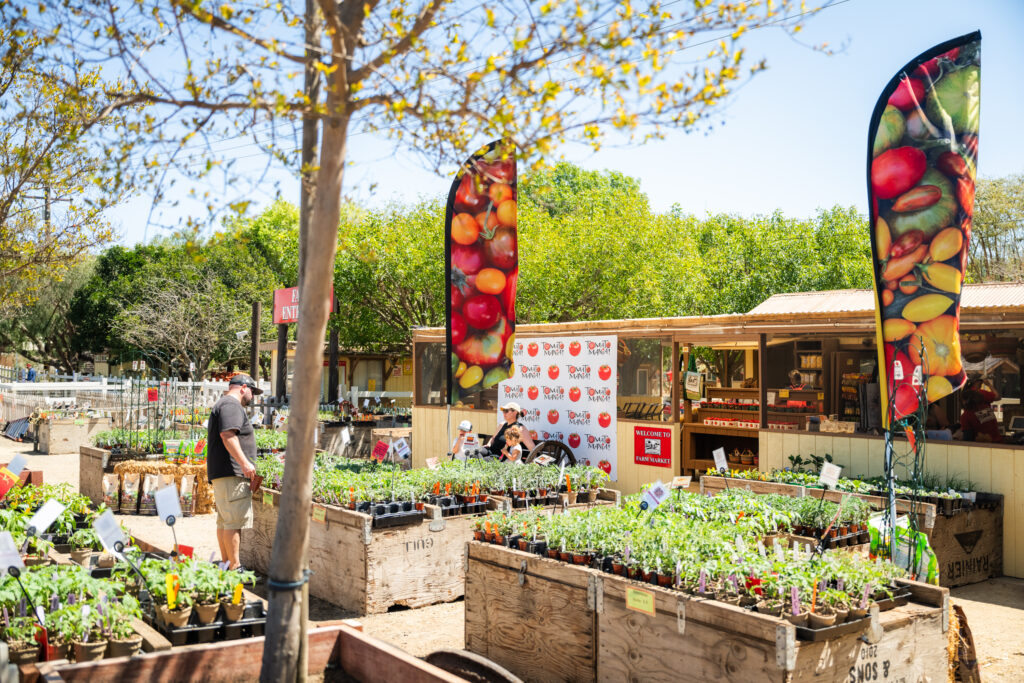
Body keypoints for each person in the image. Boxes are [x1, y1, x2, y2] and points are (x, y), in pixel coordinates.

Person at [207, 373, 262, 570]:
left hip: (224, 473)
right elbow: (228, 435)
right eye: (252, 392)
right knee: (233, 522)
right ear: (243, 388)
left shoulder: (223, 404)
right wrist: (245, 463)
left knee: (225, 521)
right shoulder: (231, 405)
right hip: (232, 473)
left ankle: (226, 564)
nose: (253, 397)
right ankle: (235, 567)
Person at [960, 378, 1002, 443]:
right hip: (997, 442)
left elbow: (967, 439)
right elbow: (997, 397)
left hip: (980, 445)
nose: (982, 383)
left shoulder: (966, 416)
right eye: (980, 381)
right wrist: (989, 385)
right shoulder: (985, 406)